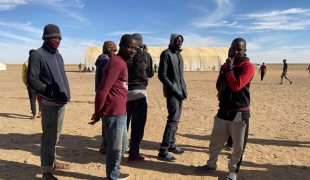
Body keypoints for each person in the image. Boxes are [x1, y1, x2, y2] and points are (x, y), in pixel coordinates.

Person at [195, 38, 254, 180]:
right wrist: (221, 86)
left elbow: (236, 86)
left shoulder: (248, 66)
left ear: (244, 50)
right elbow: (219, 83)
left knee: (238, 146)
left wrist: (229, 69)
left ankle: (233, 171)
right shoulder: (224, 65)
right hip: (223, 109)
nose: (235, 51)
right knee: (215, 141)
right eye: (233, 48)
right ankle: (211, 165)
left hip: (239, 110)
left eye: (239, 49)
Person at [88, 34, 137, 180]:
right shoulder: (116, 63)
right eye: (129, 47)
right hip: (113, 112)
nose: (132, 51)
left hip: (121, 112)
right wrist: (98, 113)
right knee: (115, 149)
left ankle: (115, 171)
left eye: (135, 48)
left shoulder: (121, 62)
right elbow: (102, 90)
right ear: (120, 46)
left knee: (122, 145)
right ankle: (113, 176)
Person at [27, 24, 71, 180]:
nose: (57, 40)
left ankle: (52, 162)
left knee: (56, 136)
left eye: (59, 37)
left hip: (61, 104)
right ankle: (46, 172)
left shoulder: (58, 56)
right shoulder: (37, 55)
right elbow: (32, 79)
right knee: (48, 137)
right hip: (49, 104)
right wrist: (51, 92)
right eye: (53, 37)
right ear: (45, 38)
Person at [157, 33, 187, 162]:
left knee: (177, 119)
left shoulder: (179, 55)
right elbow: (162, 75)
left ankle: (172, 144)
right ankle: (163, 150)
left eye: (181, 41)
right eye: (177, 40)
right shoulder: (166, 54)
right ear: (172, 41)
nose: (179, 43)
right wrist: (174, 89)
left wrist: (184, 90)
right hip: (172, 93)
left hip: (180, 92)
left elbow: (181, 76)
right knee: (172, 120)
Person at [126, 33, 154, 162]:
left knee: (123, 124)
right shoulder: (146, 55)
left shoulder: (126, 54)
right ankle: (133, 153)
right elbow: (151, 73)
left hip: (125, 92)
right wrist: (146, 54)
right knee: (138, 125)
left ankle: (119, 151)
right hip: (140, 92)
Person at [94, 40, 118, 154]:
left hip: (101, 93)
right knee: (108, 120)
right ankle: (105, 145)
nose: (115, 54)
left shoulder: (101, 60)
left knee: (105, 120)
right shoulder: (105, 62)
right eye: (114, 51)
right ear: (109, 51)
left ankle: (104, 145)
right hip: (106, 94)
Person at [22, 49, 41, 120]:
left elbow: (24, 75)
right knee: (40, 99)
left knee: (32, 99)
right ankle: (40, 112)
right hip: (39, 84)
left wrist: (26, 84)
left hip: (31, 84)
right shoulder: (39, 62)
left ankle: (34, 114)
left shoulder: (26, 63)